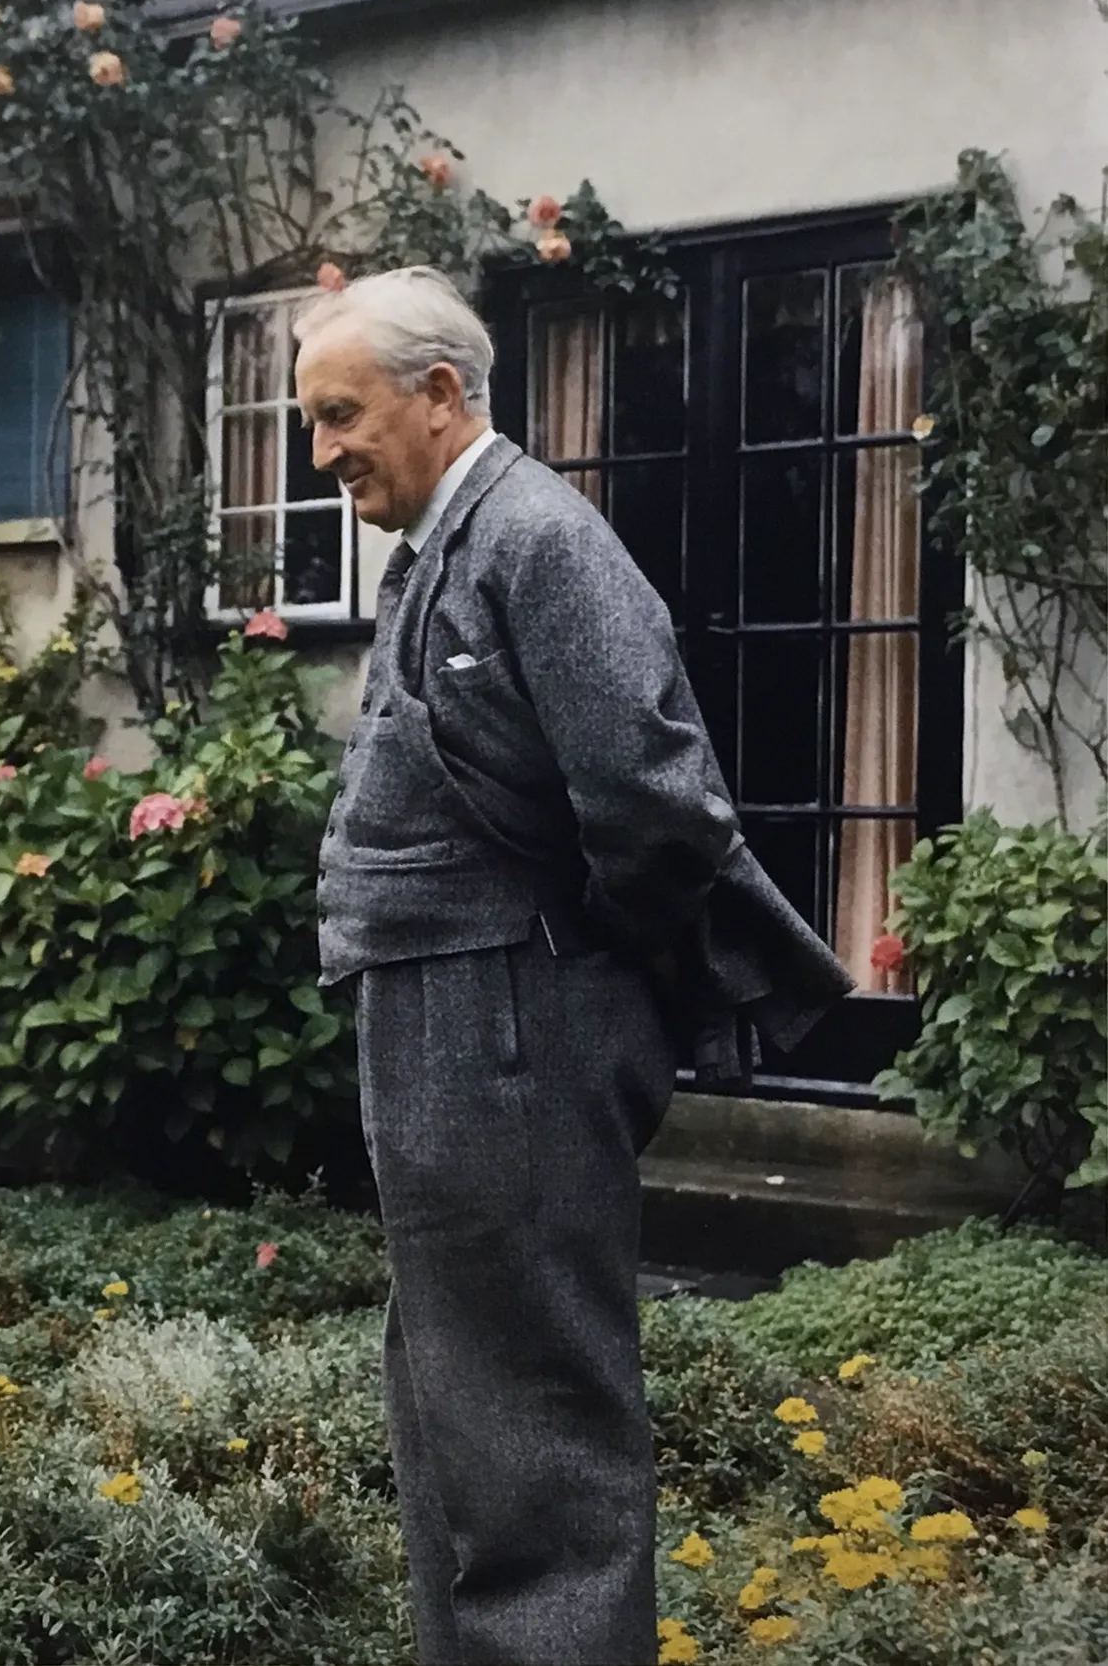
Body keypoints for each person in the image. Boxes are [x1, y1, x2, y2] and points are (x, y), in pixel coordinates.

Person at [293, 266, 852, 1666]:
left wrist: (570, 968)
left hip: (510, 1021)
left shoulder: (539, 539)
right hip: (457, 1019)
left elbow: (656, 805)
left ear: (438, 394)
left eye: (340, 414)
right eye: (310, 423)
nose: (322, 453)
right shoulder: (447, 540)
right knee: (461, 1396)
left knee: (531, 1410)